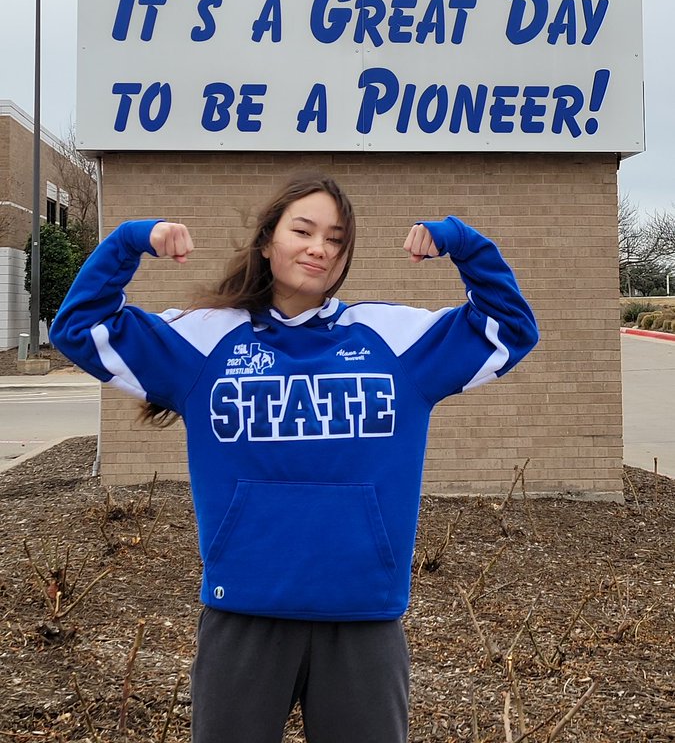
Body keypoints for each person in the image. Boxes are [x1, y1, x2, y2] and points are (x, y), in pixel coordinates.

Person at [50, 171, 538, 743]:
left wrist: (464, 244)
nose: (319, 248)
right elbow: (80, 328)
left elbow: (510, 329)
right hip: (245, 617)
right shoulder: (205, 339)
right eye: (303, 231)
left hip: (363, 620)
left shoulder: (393, 338)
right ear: (267, 241)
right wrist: (130, 241)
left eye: (335, 239)